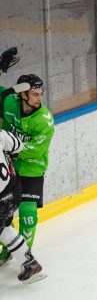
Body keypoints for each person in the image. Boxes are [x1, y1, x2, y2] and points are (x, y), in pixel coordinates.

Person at [0, 73, 55, 266]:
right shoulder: (8, 102)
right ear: (22, 95)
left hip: (33, 167)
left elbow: (37, 149)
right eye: (34, 94)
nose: (39, 98)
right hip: (8, 167)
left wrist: (13, 148)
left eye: (41, 93)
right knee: (4, 212)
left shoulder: (44, 120)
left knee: (28, 214)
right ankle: (9, 248)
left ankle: (25, 255)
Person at [0, 129, 45, 283]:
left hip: (2, 199)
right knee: (4, 229)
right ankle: (30, 264)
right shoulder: (0, 134)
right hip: (13, 191)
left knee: (3, 229)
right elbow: (18, 146)